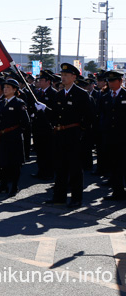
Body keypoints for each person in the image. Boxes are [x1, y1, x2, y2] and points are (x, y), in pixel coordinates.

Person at [38, 63, 95, 208]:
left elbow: (89, 117)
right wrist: (44, 110)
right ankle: (59, 197)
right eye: (62, 75)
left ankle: (76, 198)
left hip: (74, 135)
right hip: (60, 135)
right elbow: (55, 116)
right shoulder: (59, 94)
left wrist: (80, 132)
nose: (62, 78)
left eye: (66, 75)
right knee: (60, 167)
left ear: (74, 77)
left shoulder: (81, 94)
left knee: (75, 168)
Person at [0, 79, 30, 197]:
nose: (5, 89)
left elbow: (26, 122)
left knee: (15, 163)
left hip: (14, 138)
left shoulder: (19, 103)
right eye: (4, 87)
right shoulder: (1, 103)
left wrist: (16, 132)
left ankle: (14, 186)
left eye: (8, 87)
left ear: (15, 90)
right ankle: (3, 185)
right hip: (2, 138)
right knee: (3, 162)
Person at [99, 70, 126, 200]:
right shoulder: (105, 97)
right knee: (114, 165)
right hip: (110, 137)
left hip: (124, 137)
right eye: (109, 81)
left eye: (113, 80)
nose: (110, 83)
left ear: (120, 81)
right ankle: (117, 192)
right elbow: (102, 116)